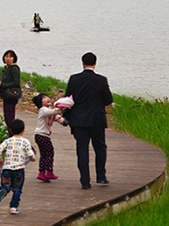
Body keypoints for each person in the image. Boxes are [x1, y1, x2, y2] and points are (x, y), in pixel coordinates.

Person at [63, 52, 114, 190]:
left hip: (79, 120)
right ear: (95, 63)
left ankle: (85, 181)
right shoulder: (101, 80)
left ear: (83, 63)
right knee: (100, 147)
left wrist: (68, 118)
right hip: (96, 119)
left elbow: (68, 100)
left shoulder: (74, 79)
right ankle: (101, 176)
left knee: (82, 150)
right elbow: (108, 99)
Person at [0, 119, 36, 215]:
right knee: (17, 189)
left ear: (10, 130)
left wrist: (0, 159)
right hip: (19, 170)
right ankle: (13, 207)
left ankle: (4, 190)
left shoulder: (8, 141)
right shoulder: (25, 141)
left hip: (7, 169)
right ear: (23, 130)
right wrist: (32, 158)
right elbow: (30, 153)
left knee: (6, 184)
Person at [32, 93, 67, 182]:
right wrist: (63, 107)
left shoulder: (50, 111)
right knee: (49, 153)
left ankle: (42, 173)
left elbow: (59, 118)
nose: (47, 98)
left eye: (47, 97)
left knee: (44, 154)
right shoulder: (43, 110)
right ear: (40, 102)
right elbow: (54, 112)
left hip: (41, 136)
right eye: (44, 98)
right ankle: (49, 172)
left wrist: (64, 121)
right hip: (42, 135)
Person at [0, 49, 21, 133]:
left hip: (11, 95)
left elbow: (16, 82)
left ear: (14, 59)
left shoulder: (14, 68)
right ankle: (10, 133)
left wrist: (3, 85)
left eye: (10, 57)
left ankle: (13, 133)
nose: (8, 59)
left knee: (10, 116)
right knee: (6, 116)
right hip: (5, 95)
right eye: (6, 56)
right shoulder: (5, 69)